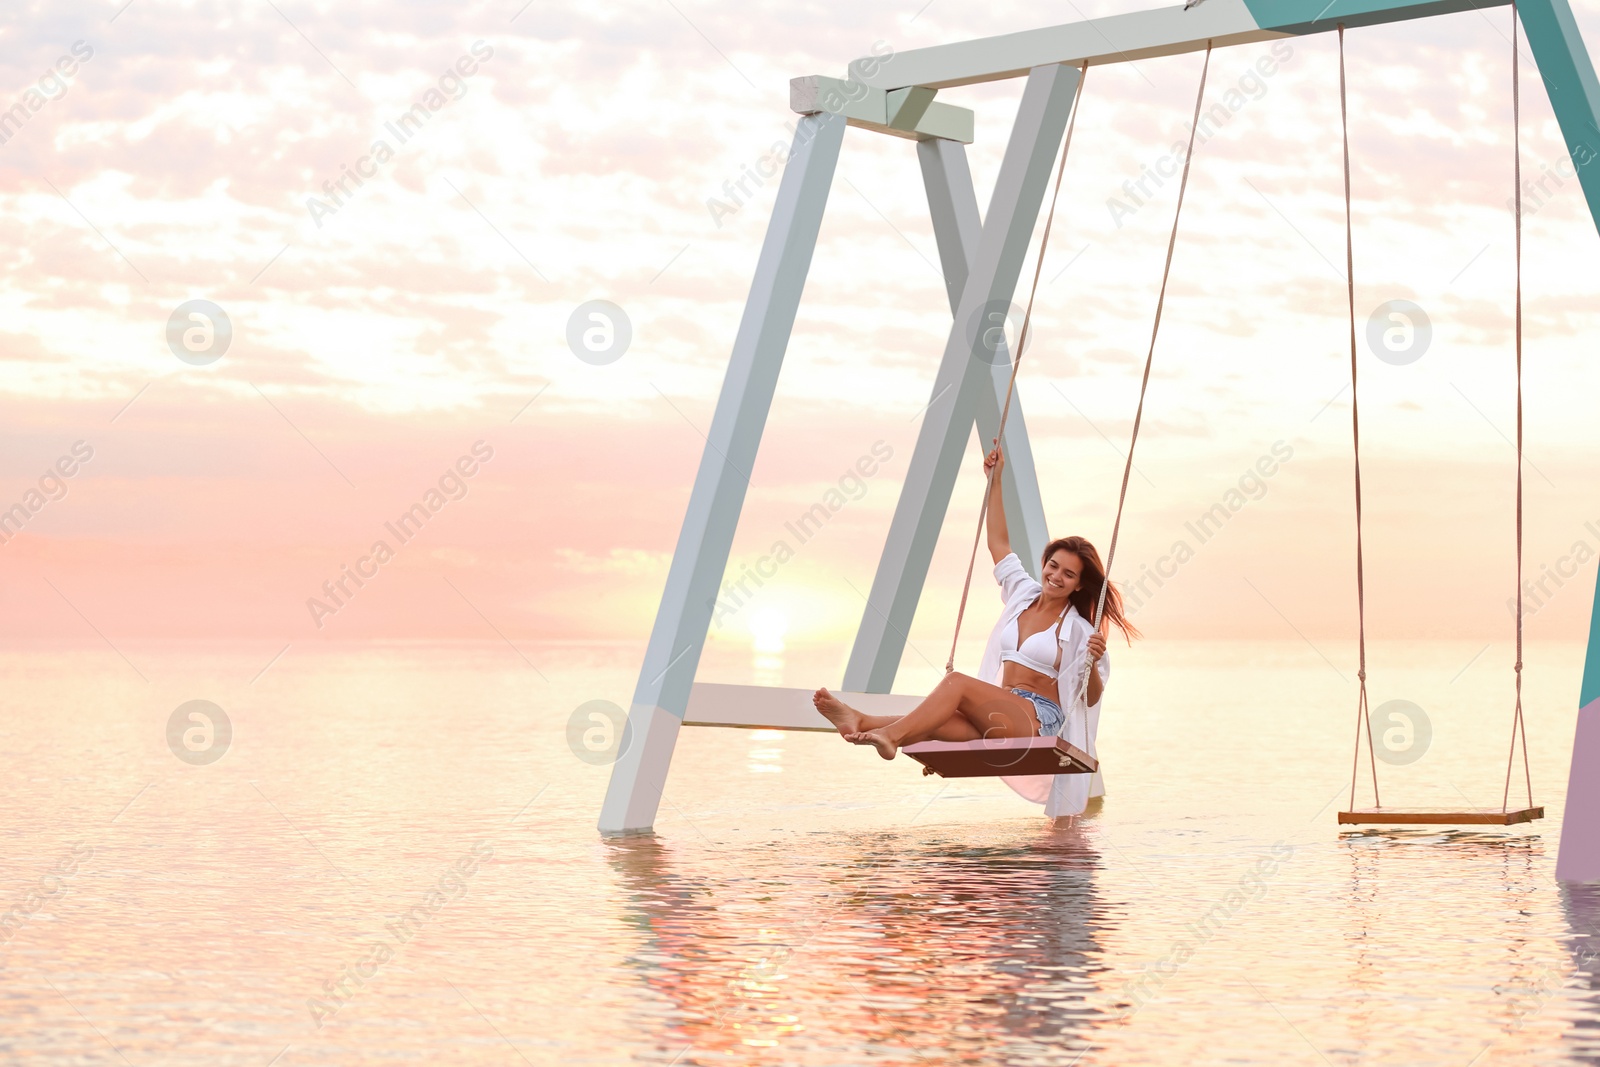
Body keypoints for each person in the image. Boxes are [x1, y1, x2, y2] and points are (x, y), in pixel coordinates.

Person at [813, 441, 1141, 815]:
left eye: (1069, 574)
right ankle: (861, 721)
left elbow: (1090, 697)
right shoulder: (1022, 593)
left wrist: (1092, 662)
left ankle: (889, 735)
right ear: (1044, 563)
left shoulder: (1081, 629)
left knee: (956, 684)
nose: (1056, 576)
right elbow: (998, 543)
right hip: (999, 717)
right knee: (938, 722)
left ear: (1080, 584)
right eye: (1053, 565)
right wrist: (995, 481)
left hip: (1036, 721)